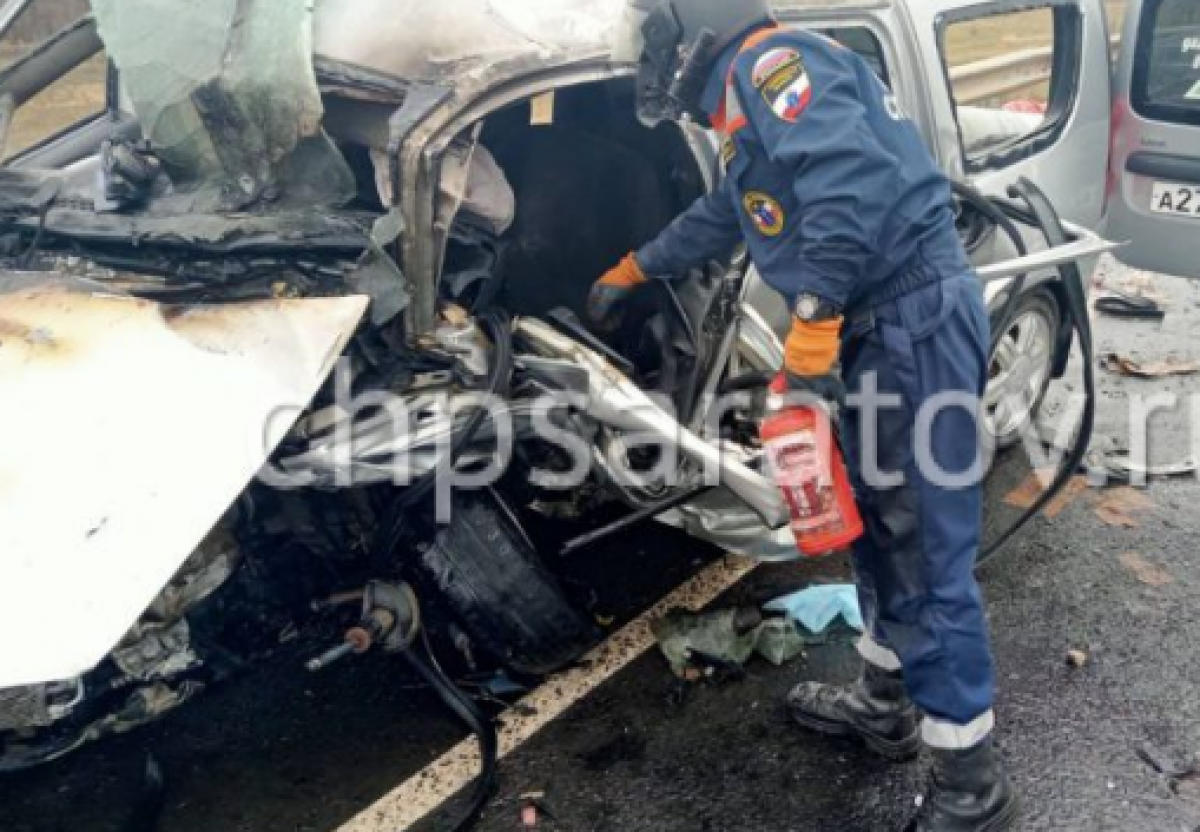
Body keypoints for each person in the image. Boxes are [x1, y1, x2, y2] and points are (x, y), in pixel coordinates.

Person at [590, 2, 1017, 830]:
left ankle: (974, 785)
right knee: (874, 527)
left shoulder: (774, 65)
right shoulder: (750, 125)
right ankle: (886, 702)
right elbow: (729, 215)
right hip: (880, 329)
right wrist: (637, 266)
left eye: (655, 40)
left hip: (909, 321)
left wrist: (812, 330)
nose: (651, 58)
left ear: (691, 36)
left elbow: (849, 183)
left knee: (927, 549)